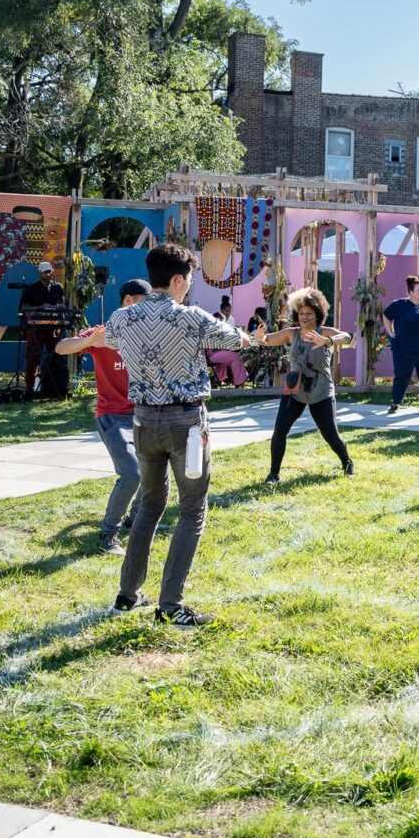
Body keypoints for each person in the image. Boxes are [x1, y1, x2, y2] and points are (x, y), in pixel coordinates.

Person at [105, 243, 251, 627]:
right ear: (176, 280)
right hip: (185, 422)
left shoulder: (123, 318)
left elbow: (113, 342)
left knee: (149, 507)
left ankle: (128, 592)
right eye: (188, 279)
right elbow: (235, 340)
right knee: (191, 510)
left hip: (141, 421)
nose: (189, 286)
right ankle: (171, 604)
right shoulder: (191, 317)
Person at [55, 279, 149, 554]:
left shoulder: (148, 332)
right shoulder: (102, 333)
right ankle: (108, 535)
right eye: (146, 302)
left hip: (145, 413)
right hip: (112, 417)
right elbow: (62, 347)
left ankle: (137, 517)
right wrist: (91, 340)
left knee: (157, 469)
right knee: (131, 474)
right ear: (129, 301)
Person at [256, 286, 354, 483]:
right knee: (280, 431)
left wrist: (327, 340)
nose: (304, 316)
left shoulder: (324, 331)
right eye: (301, 313)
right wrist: (260, 338)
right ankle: (273, 473)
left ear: (318, 314)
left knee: (330, 434)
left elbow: (348, 338)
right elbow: (267, 340)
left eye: (309, 313)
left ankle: (347, 462)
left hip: (321, 391)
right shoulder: (292, 333)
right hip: (295, 389)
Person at [382, 275, 419, 414]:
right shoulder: (399, 305)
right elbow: (386, 315)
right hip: (404, 349)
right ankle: (396, 403)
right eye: (418, 289)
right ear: (410, 292)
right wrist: (390, 331)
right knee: (401, 375)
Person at [21, 261, 65, 394]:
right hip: (36, 327)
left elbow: (62, 305)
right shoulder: (30, 288)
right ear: (40, 273)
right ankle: (29, 388)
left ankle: (56, 387)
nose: (49, 274)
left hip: (53, 327)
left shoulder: (58, 287)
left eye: (50, 271)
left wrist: (57, 308)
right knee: (32, 357)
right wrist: (40, 308)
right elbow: (23, 308)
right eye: (46, 272)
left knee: (56, 356)